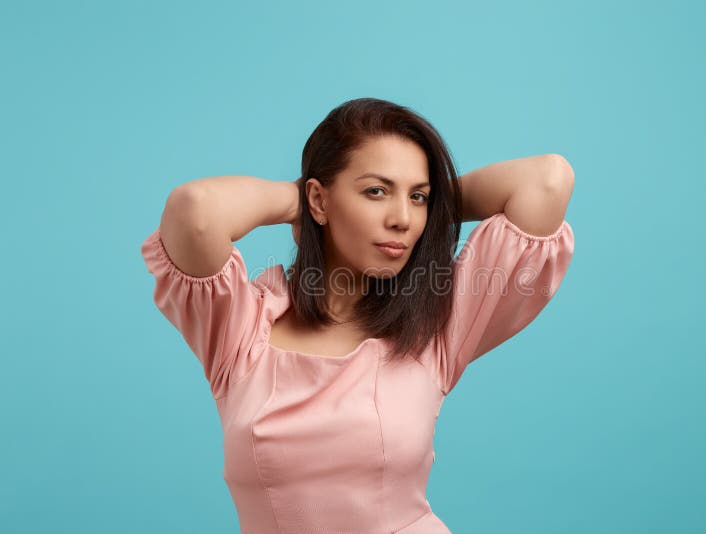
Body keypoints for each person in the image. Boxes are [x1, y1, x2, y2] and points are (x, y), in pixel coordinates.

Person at [141, 97, 575, 533]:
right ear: (319, 198)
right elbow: (194, 210)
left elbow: (548, 181)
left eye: (418, 196)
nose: (403, 219)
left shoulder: (437, 326)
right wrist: (300, 204)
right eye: (376, 191)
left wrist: (435, 208)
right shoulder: (242, 332)